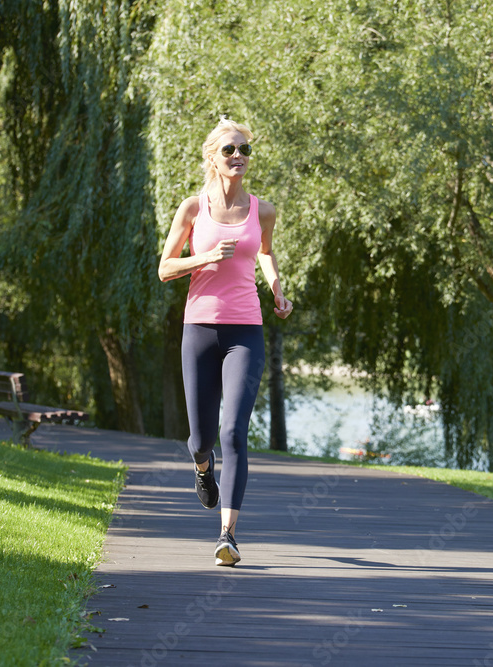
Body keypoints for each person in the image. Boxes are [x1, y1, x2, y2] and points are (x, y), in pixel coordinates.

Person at [158, 118, 293, 566]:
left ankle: (227, 536)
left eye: (245, 150)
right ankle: (201, 468)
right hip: (199, 328)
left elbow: (266, 253)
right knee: (201, 439)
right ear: (213, 158)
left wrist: (275, 286)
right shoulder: (193, 209)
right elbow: (165, 268)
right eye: (230, 150)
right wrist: (205, 257)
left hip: (245, 331)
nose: (239, 157)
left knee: (233, 431)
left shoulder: (263, 210)